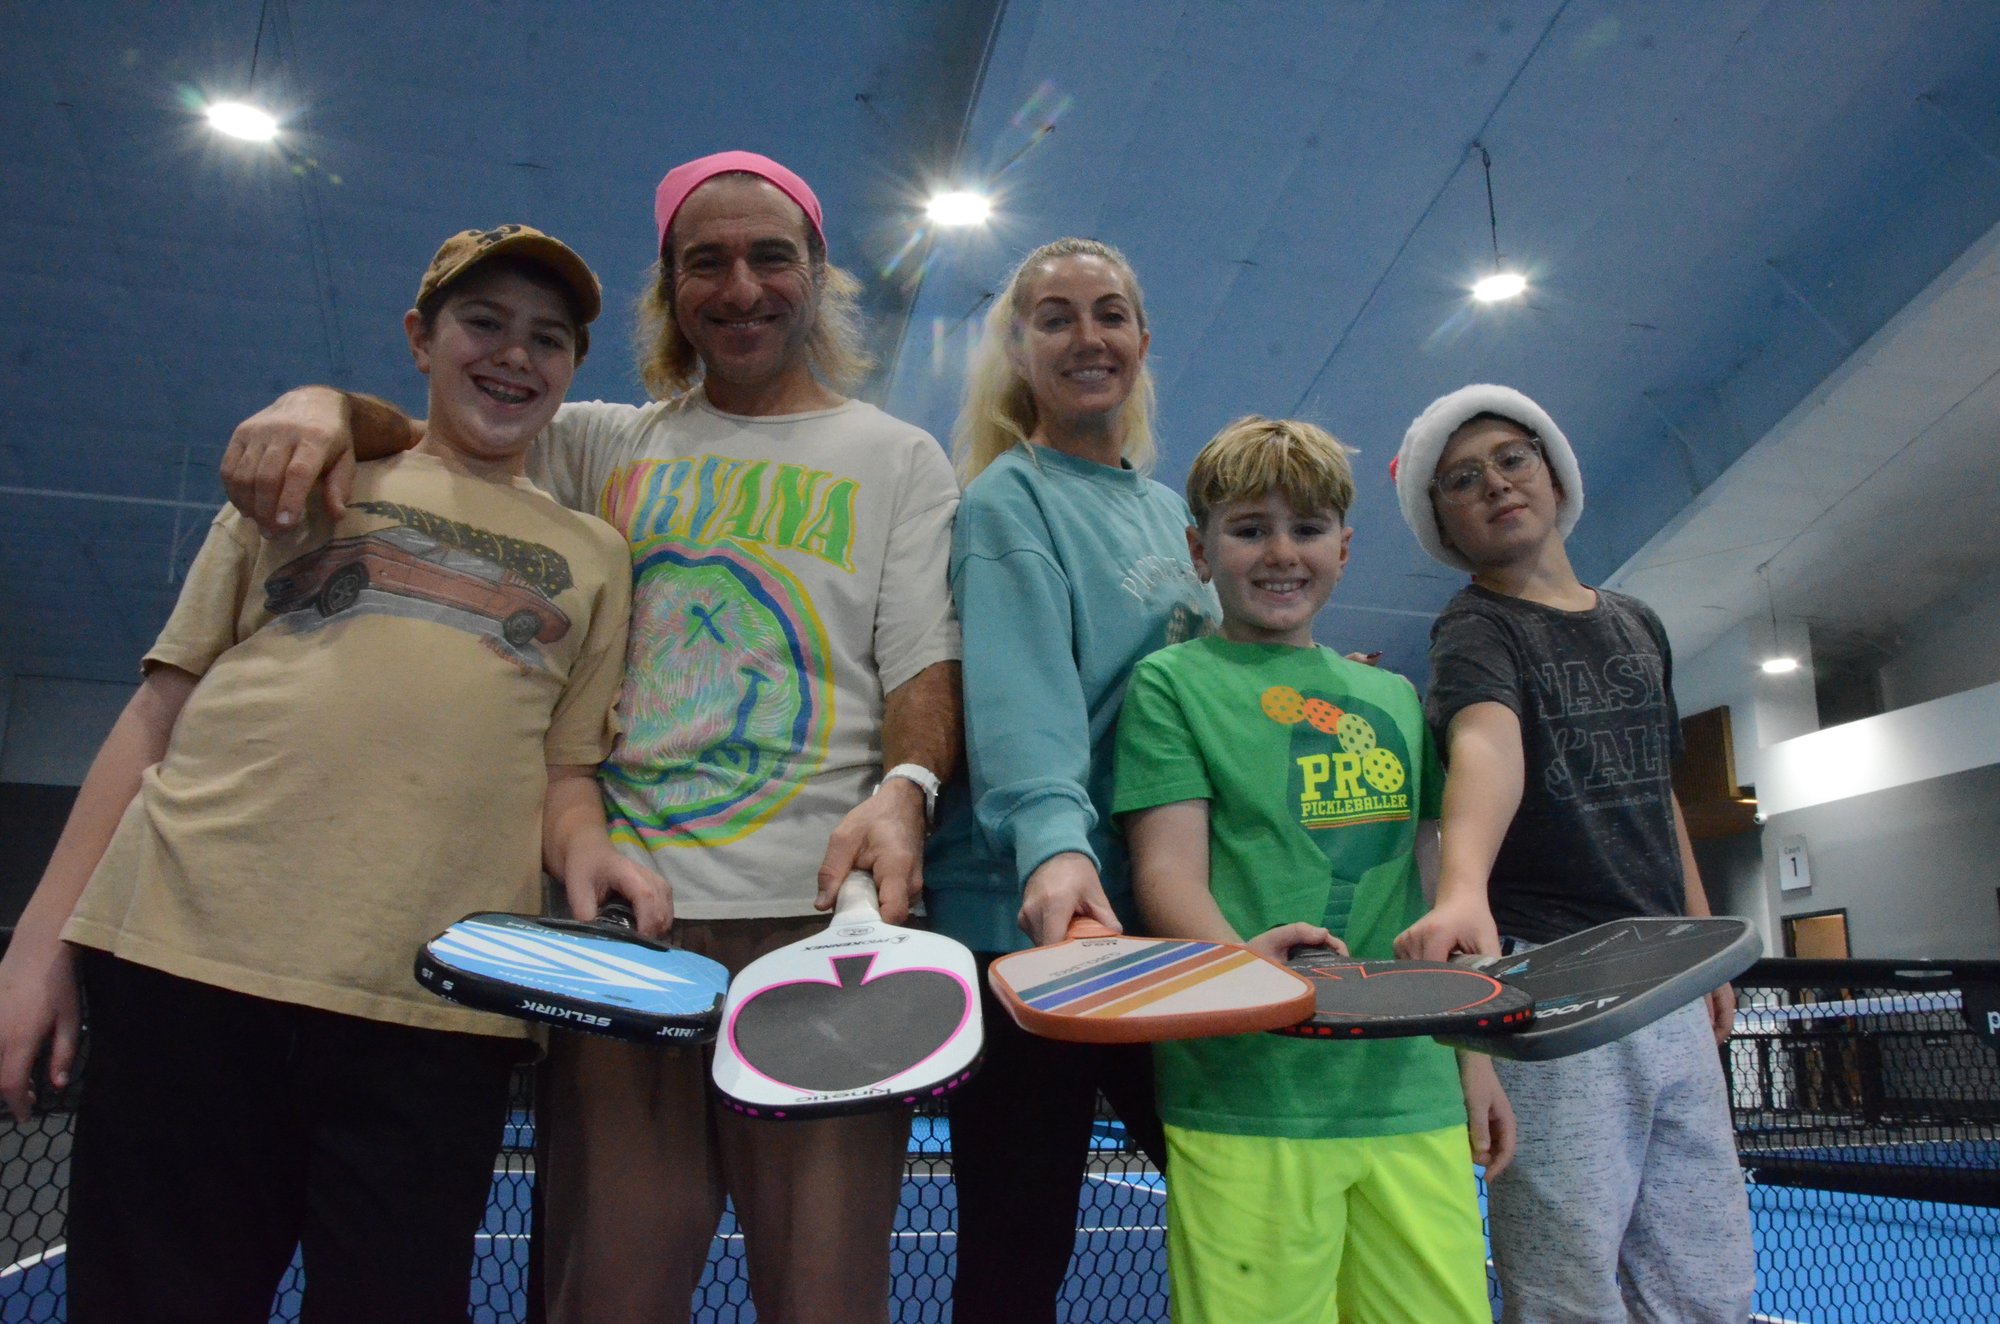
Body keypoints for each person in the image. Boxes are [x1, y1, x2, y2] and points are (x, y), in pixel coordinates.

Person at [217, 152, 962, 1324]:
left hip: (824, 935)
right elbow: (437, 434)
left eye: (771, 256)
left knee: (827, 1302)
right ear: (672, 292)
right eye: (703, 261)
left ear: (818, 277)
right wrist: (317, 402)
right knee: (606, 1298)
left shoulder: (898, 456)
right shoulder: (604, 442)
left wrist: (907, 786)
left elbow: (921, 656)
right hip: (623, 940)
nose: (741, 285)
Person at [0, 225, 658, 1322]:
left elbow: (565, 770)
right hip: (185, 964)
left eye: (548, 338)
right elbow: (159, 710)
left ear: (573, 372)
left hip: (441, 1008)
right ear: (419, 338)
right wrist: (34, 949)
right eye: (482, 323)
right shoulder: (305, 474)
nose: (514, 355)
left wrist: (591, 852)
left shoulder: (595, 556)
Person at [1114, 416, 1513, 1324]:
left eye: (1306, 528)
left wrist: (1475, 1061)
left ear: (1344, 545)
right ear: (1199, 550)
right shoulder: (1172, 684)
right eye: (1250, 529)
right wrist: (1242, 975)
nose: (1280, 552)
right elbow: (1168, 871)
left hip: (1407, 1089)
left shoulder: (1394, 698)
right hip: (1249, 1093)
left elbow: (1433, 883)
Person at [1390, 383, 1754, 1323]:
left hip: (1669, 986)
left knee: (1706, 1279)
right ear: (1443, 522)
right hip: (1552, 996)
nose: (1496, 485)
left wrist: (1702, 942)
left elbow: (1659, 790)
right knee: (1566, 1291)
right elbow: (1486, 743)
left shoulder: (1638, 620)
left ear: (1553, 472)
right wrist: (1464, 884)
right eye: (1461, 479)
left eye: (1513, 458)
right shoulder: (1475, 629)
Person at [921, 236, 1216, 1322]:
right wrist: (1054, 854)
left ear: (1141, 341)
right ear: (1018, 347)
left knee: (1231, 1192)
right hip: (1028, 923)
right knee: (1017, 1238)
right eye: (1054, 317)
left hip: (1152, 922)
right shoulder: (1007, 502)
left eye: (1107, 313)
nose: (1085, 336)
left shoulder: (1171, 511)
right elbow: (1022, 701)